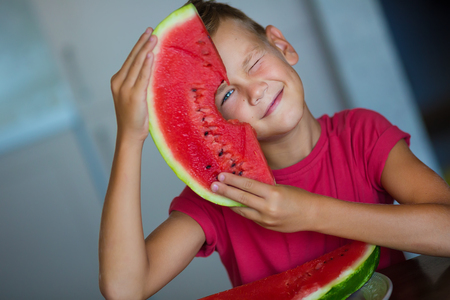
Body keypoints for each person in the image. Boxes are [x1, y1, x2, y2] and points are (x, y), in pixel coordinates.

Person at [98, 0, 450, 298]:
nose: (255, 91)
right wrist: (129, 138)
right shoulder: (221, 193)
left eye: (252, 64)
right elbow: (124, 289)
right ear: (208, 118)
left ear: (282, 46)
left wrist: (310, 213)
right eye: (227, 94)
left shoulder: (360, 134)